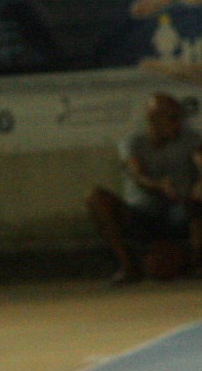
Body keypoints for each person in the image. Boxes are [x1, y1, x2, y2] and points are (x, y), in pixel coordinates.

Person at [86, 92, 202, 283]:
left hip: (179, 211)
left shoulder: (189, 139)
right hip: (142, 213)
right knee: (95, 198)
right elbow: (136, 174)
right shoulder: (133, 143)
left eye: (179, 119)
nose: (178, 124)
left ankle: (196, 263)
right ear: (154, 120)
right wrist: (158, 186)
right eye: (172, 119)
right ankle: (127, 265)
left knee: (197, 202)